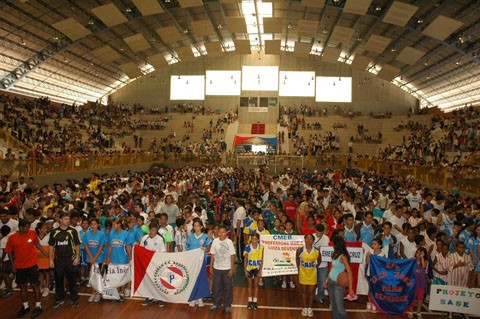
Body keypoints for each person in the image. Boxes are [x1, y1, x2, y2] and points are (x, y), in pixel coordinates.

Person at [5, 219, 47, 318]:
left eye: (29, 227)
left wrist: (44, 253)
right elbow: (9, 252)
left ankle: (38, 306)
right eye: (26, 227)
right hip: (20, 266)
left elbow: (36, 243)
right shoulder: (11, 237)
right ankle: (25, 306)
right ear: (20, 227)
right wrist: (13, 265)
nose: (28, 229)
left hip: (32, 265)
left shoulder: (32, 233)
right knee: (22, 286)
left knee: (35, 285)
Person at [49, 211, 81, 309]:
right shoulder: (54, 232)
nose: (68, 221)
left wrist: (77, 257)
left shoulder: (73, 231)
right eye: (65, 219)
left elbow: (77, 245)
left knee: (72, 281)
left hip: (70, 260)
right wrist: (51, 259)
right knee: (58, 281)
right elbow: (51, 246)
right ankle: (59, 298)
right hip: (58, 261)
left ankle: (74, 299)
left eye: (68, 219)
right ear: (60, 220)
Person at [325, 236, 354, 319]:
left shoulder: (343, 256)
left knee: (340, 308)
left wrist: (351, 288)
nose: (333, 245)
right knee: (333, 306)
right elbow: (332, 269)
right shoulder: (335, 254)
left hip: (338, 284)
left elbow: (350, 272)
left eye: (334, 244)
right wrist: (326, 280)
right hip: (331, 282)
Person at [209, 224, 236, 315]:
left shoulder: (229, 242)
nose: (221, 234)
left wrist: (232, 269)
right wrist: (211, 265)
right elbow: (213, 254)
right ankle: (216, 303)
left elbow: (232, 256)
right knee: (216, 287)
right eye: (219, 232)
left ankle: (227, 305)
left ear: (226, 233)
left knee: (228, 288)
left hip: (227, 268)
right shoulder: (215, 242)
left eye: (223, 232)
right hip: (217, 268)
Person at [140, 220, 166, 307]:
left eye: (155, 230)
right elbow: (141, 250)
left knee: (157, 280)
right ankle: (149, 297)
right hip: (146, 263)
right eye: (152, 230)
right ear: (149, 229)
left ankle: (160, 298)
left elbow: (162, 252)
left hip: (156, 263)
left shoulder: (160, 239)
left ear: (157, 230)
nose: (153, 232)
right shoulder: (144, 238)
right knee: (148, 280)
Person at [106, 218, 133, 303]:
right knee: (116, 277)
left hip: (123, 259)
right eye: (113, 224)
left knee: (123, 277)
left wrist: (131, 257)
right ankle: (116, 293)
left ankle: (122, 292)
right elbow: (110, 246)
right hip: (114, 259)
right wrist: (108, 257)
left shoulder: (126, 234)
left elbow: (128, 247)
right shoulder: (111, 233)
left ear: (119, 225)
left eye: (114, 224)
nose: (113, 226)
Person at [186, 219, 211, 307]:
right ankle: (193, 298)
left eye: (198, 226)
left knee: (201, 280)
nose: (196, 227)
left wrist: (205, 249)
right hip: (193, 262)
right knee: (192, 279)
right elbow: (187, 249)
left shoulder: (205, 237)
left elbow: (208, 248)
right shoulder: (190, 237)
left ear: (201, 227)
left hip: (201, 262)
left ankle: (199, 298)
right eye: (194, 226)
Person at [297, 234, 321, 318]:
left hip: (312, 274)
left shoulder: (317, 251)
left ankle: (310, 308)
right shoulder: (300, 250)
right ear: (304, 240)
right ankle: (304, 308)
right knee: (304, 292)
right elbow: (297, 260)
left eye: (310, 239)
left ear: (313, 241)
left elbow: (319, 261)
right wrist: (299, 269)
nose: (308, 240)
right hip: (303, 273)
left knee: (311, 292)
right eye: (307, 239)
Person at [83, 218, 105, 303]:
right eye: (91, 224)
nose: (93, 226)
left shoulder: (101, 234)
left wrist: (95, 258)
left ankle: (98, 293)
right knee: (91, 275)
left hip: (98, 258)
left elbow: (100, 247)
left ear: (98, 225)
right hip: (90, 258)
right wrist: (91, 257)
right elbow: (86, 246)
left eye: (94, 224)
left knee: (98, 276)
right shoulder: (87, 234)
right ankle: (93, 292)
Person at [365, 238, 387, 313]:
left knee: (376, 289)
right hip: (370, 273)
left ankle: (375, 303)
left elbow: (383, 266)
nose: (373, 245)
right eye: (372, 244)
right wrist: (367, 256)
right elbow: (367, 262)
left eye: (375, 244)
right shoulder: (370, 252)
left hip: (378, 275)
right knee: (370, 288)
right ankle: (369, 303)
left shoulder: (383, 254)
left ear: (380, 245)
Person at [243, 233, 263, 310]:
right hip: (249, 269)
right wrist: (245, 270)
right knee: (250, 285)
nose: (254, 241)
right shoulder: (247, 247)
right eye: (252, 239)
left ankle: (255, 301)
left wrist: (260, 270)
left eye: (255, 239)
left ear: (258, 240)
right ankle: (249, 301)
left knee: (256, 285)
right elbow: (245, 259)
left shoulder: (261, 248)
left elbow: (262, 260)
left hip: (257, 269)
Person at [409, 247, 428, 319]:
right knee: (412, 298)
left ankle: (418, 312)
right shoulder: (412, 260)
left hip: (421, 283)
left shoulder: (425, 260)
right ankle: (411, 311)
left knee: (420, 298)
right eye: (418, 253)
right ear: (415, 253)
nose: (419, 254)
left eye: (421, 253)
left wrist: (422, 257)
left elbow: (423, 266)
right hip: (413, 283)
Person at [313, 224, 329, 304]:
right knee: (312, 282)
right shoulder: (311, 237)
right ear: (315, 230)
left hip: (323, 264)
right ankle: (311, 296)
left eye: (320, 233)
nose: (318, 235)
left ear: (323, 232)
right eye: (317, 233)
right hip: (313, 264)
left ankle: (321, 296)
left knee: (322, 282)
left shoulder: (326, 239)